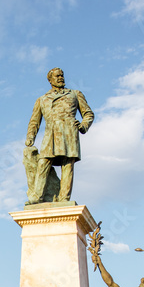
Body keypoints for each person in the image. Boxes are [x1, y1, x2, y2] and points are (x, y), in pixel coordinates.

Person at [24, 68, 93, 204]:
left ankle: (64, 198)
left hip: (69, 133)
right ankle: (37, 196)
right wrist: (30, 136)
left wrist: (83, 125)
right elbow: (34, 121)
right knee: (43, 163)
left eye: (62, 75)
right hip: (51, 134)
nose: (61, 78)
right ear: (50, 80)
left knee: (67, 165)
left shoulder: (75, 94)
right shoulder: (42, 99)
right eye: (57, 76)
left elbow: (88, 113)